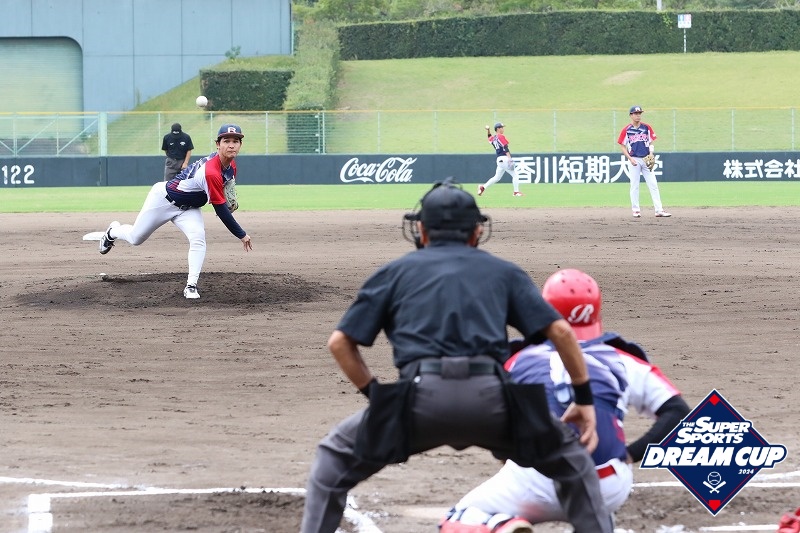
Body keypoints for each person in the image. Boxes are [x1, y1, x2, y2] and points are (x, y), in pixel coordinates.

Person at [300, 178, 613, 533]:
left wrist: (378, 398)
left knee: (332, 462)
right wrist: (583, 398)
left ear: (421, 229)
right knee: (575, 466)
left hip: (419, 401)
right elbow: (562, 333)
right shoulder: (503, 271)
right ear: (477, 231)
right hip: (494, 403)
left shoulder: (394, 273)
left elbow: (340, 343)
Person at [440, 268, 691, 532]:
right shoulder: (624, 360)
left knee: (460, 517)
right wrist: (630, 454)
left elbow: (487, 415)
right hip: (607, 484)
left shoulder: (516, 360)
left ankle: (503, 525)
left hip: (535, 481)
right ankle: (598, 521)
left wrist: (506, 455)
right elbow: (678, 412)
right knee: (601, 488)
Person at [98, 124, 253, 299]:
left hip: (189, 208)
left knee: (198, 238)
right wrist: (241, 234)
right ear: (218, 144)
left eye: (235, 141)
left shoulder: (231, 166)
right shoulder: (210, 171)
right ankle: (112, 232)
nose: (231, 145)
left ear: (240, 145)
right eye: (226, 141)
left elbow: (222, 191)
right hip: (163, 200)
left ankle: (191, 286)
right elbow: (220, 209)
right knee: (135, 238)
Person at [617, 106, 671, 218]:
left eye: (639, 113)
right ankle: (636, 210)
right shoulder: (627, 130)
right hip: (634, 159)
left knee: (653, 184)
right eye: (636, 113)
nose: (638, 115)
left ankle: (659, 210)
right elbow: (622, 146)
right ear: (631, 115)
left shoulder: (646, 127)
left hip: (646, 159)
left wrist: (651, 153)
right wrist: (630, 158)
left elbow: (650, 142)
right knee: (634, 185)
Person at [478, 122, 523, 197]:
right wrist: (510, 159)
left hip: (499, 160)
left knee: (496, 178)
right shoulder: (501, 136)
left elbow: (489, 137)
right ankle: (516, 192)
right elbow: (506, 148)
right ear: (498, 129)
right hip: (504, 158)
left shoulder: (493, 138)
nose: (503, 129)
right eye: (502, 127)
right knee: (515, 175)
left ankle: (482, 187)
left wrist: (488, 130)